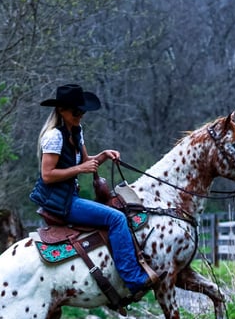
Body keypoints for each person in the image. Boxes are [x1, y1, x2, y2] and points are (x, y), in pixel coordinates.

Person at [30, 83, 158, 297]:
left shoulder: (76, 133)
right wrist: (80, 168)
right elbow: (47, 174)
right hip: (59, 201)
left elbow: (87, 161)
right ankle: (133, 279)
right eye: (75, 110)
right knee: (116, 219)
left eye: (82, 110)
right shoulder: (54, 136)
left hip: (69, 196)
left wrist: (104, 155)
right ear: (61, 110)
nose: (80, 114)